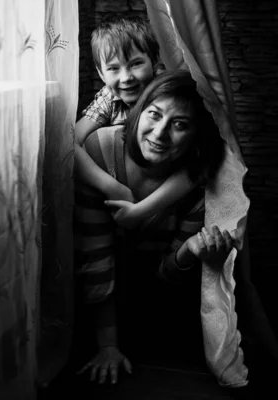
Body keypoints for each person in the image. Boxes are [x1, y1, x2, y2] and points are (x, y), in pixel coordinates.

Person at [74, 70, 231, 385]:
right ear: (137, 113)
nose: (159, 134)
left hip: (150, 305)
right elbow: (95, 256)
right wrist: (107, 346)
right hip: (87, 301)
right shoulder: (99, 151)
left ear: (196, 136)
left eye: (179, 125)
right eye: (154, 115)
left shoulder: (196, 189)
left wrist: (187, 253)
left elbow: (164, 274)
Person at [74, 15, 198, 229]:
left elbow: (199, 166)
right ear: (101, 74)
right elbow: (69, 142)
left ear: (154, 62)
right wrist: (112, 187)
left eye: (136, 64)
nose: (126, 77)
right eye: (113, 68)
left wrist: (141, 211)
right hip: (122, 185)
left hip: (164, 197)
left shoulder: (168, 94)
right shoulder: (109, 97)